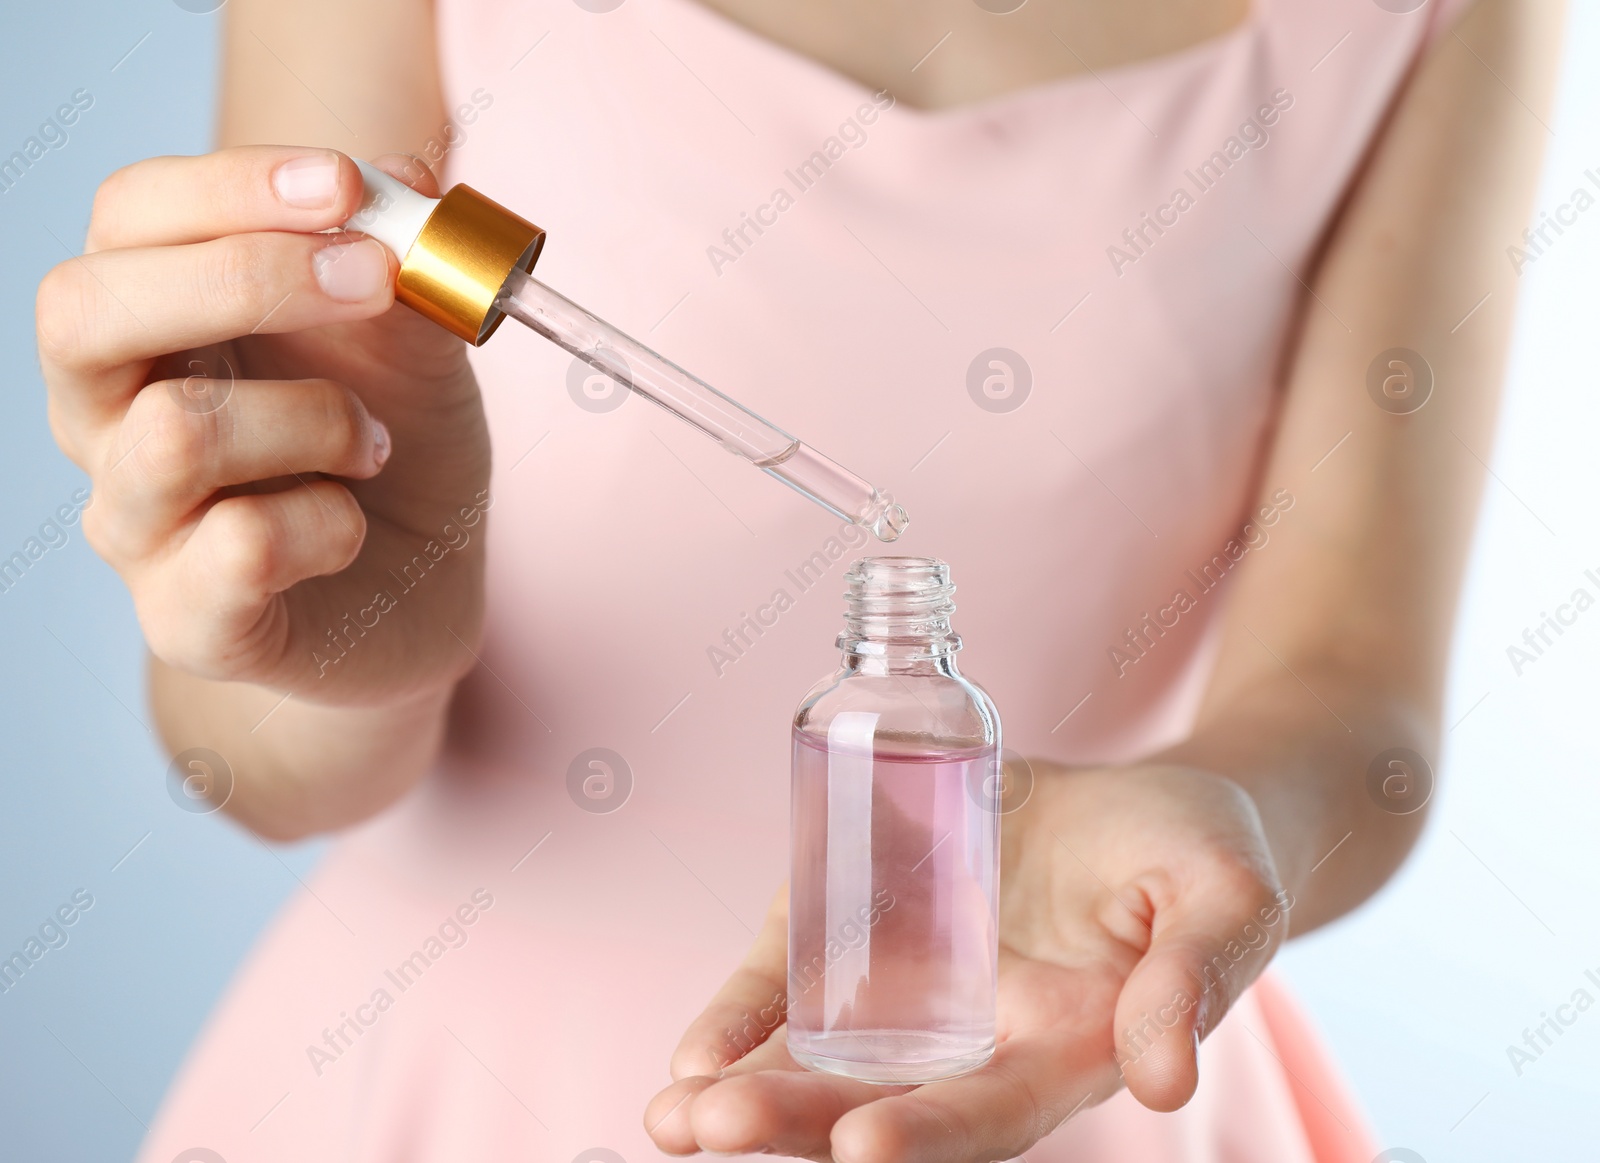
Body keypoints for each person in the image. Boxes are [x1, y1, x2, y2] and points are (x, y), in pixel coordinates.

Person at [35, 0, 1560, 1158]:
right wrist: (346, 632)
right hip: (444, 1077)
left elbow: (1361, 703)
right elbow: (251, 767)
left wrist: (1239, 825)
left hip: (1072, 1062)